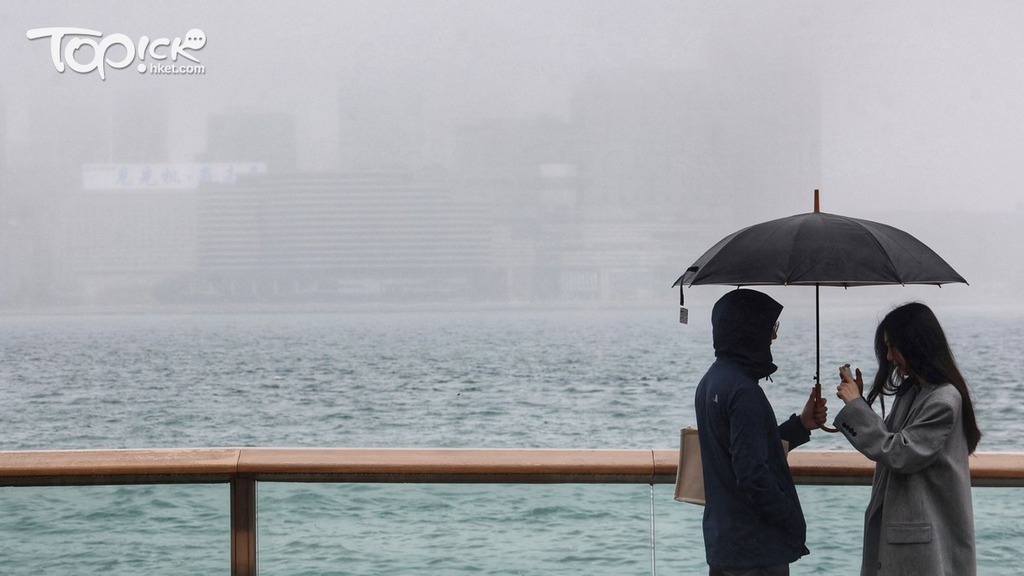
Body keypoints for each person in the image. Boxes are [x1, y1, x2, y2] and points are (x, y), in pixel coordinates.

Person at [834, 302, 981, 576]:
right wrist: (859, 405)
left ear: (917, 344)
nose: (890, 357)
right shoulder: (913, 391)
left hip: (922, 546)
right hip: (911, 539)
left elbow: (899, 453)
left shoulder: (943, 399)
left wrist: (856, 406)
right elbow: (888, 439)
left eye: (894, 347)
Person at [695, 289, 828, 576]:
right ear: (750, 331)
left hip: (725, 545)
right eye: (770, 328)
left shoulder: (711, 381)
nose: (773, 337)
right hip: (756, 552)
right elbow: (753, 473)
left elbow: (743, 447)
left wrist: (801, 425)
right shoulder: (745, 392)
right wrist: (791, 518)